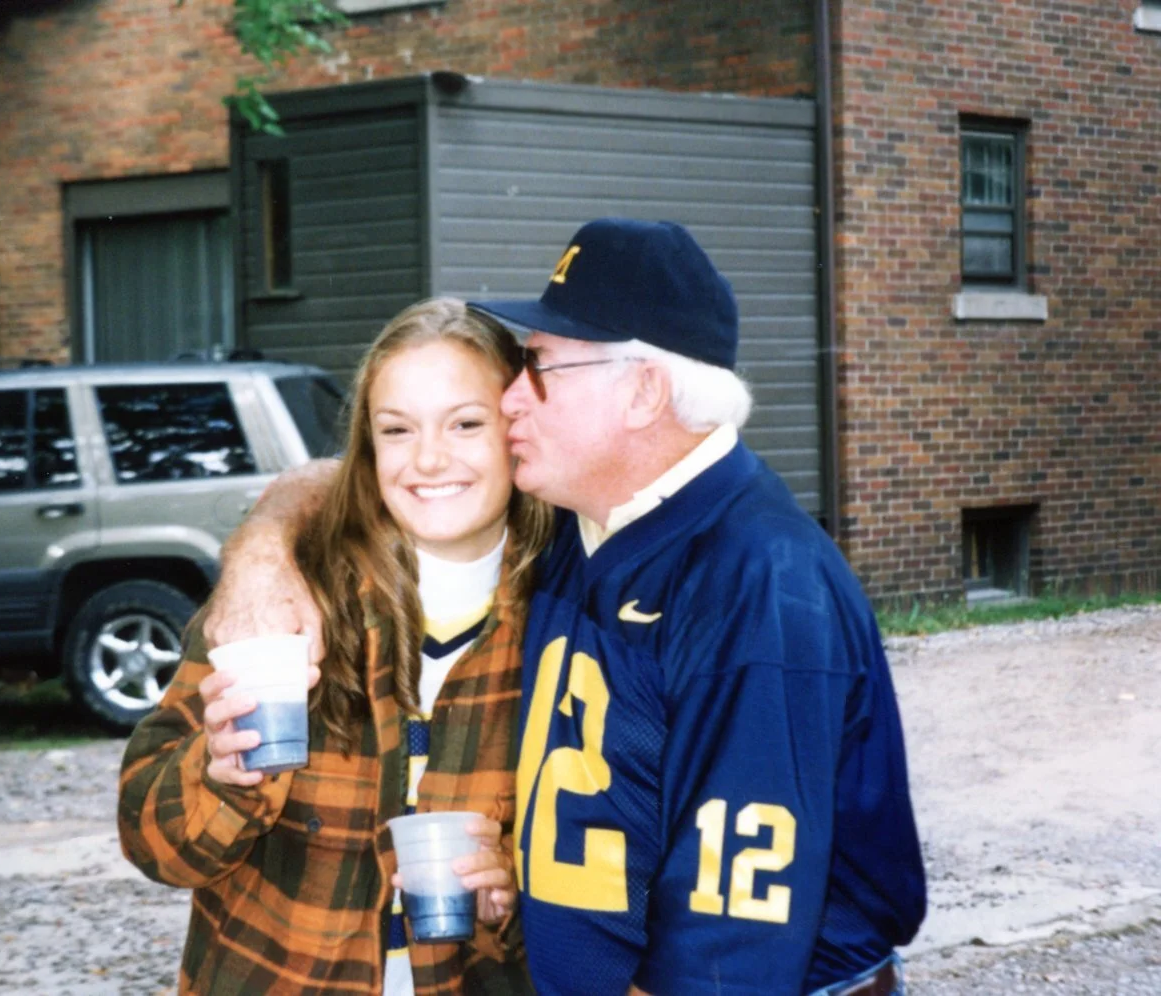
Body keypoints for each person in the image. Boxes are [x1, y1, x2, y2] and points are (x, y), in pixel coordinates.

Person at [205, 219, 927, 995]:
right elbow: (367, 475)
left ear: (643, 391)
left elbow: (731, 941)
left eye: (541, 365)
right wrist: (263, 548)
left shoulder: (759, 580)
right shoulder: (592, 523)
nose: (512, 396)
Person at [118, 297, 551, 995]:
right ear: (368, 447)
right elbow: (152, 847)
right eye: (397, 430)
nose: (429, 459)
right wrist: (218, 776)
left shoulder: (567, 617)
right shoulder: (283, 599)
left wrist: (509, 897)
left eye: (466, 424)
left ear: (516, 427)